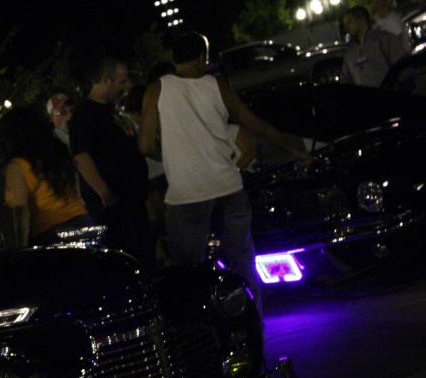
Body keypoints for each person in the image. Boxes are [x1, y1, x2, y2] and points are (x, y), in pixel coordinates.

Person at [139, 32, 309, 308]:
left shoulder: (156, 89)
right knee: (242, 262)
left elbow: (145, 145)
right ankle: (252, 318)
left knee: (188, 270)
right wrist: (294, 150)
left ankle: (198, 323)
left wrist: (172, 156)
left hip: (186, 194)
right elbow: (255, 125)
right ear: (201, 58)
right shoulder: (216, 86)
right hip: (228, 188)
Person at [70, 58, 153, 268]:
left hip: (131, 200)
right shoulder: (85, 114)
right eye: (121, 82)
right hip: (115, 206)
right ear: (107, 80)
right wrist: (104, 193)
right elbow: (81, 156)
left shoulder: (111, 111)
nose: (126, 87)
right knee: (128, 259)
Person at [0, 107, 91, 248]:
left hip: (50, 233)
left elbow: (21, 211)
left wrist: (19, 248)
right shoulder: (57, 154)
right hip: (83, 222)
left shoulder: (17, 166)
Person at [341, 5, 409, 87]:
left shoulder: (384, 39)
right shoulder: (350, 51)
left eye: (349, 23)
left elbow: (404, 70)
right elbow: (346, 80)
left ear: (361, 20)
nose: (346, 28)